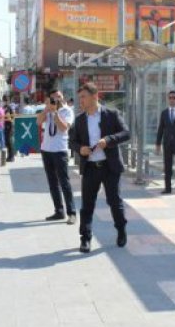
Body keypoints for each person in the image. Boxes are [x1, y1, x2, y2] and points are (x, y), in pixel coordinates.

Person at [69, 82, 130, 253]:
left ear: (95, 97)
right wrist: (80, 148)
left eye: (83, 97)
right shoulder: (80, 119)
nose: (80, 100)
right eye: (80, 97)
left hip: (110, 167)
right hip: (90, 167)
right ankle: (85, 238)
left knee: (114, 202)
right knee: (87, 205)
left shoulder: (111, 114)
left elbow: (126, 133)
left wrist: (108, 140)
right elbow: (72, 141)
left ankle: (121, 229)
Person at [37, 89, 76, 224]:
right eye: (54, 97)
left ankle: (71, 212)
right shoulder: (47, 109)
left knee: (64, 182)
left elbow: (64, 127)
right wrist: (47, 109)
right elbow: (38, 122)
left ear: (63, 97)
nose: (56, 100)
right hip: (46, 150)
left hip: (60, 150)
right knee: (52, 183)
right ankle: (59, 211)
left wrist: (55, 113)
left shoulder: (67, 111)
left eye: (58, 97)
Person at [3, 96, 15, 162]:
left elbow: (12, 117)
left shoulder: (9, 107)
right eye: (4, 100)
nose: (5, 102)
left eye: (6, 100)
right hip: (6, 125)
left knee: (9, 142)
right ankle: (9, 156)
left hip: (9, 126)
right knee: (7, 142)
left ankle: (11, 156)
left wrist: (9, 118)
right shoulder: (4, 107)